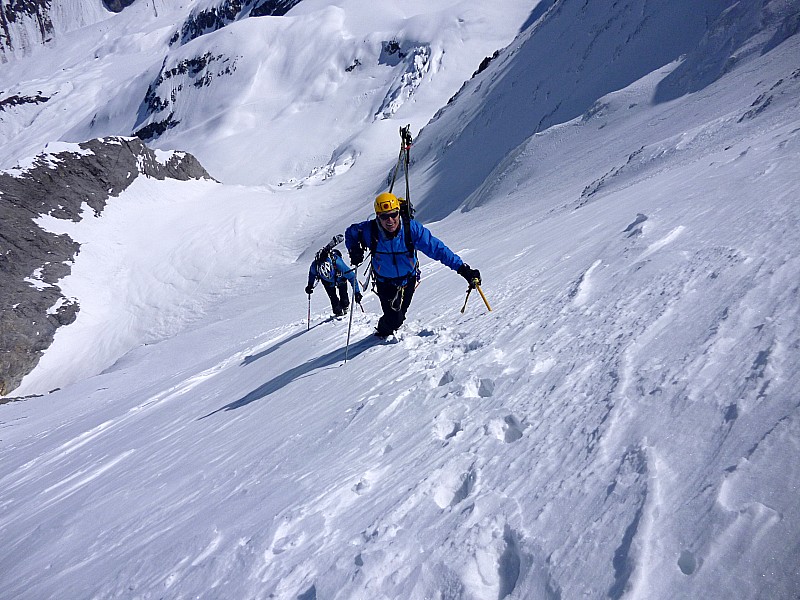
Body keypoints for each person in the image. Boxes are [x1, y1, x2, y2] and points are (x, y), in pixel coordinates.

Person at [345, 192, 481, 338]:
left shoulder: (412, 230)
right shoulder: (369, 230)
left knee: (400, 316)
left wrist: (464, 270)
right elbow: (350, 233)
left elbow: (438, 250)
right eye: (384, 216)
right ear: (377, 216)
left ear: (399, 213)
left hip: (408, 280)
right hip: (385, 283)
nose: (390, 220)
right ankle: (382, 333)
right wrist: (353, 249)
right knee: (394, 319)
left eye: (393, 214)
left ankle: (386, 331)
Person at [306, 245, 362, 317]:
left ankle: (345, 307)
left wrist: (357, 292)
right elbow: (312, 274)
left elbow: (352, 277)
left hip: (340, 278)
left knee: (344, 298)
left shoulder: (339, 264)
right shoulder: (315, 266)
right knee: (334, 302)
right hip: (328, 283)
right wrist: (310, 285)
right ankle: (338, 312)